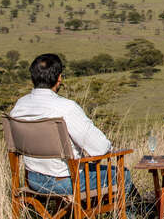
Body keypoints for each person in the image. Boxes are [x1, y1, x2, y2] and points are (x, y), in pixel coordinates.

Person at [8, 53, 135, 202]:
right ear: (59, 78)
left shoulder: (19, 106)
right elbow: (101, 148)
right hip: (65, 182)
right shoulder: (66, 108)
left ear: (32, 77)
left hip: (33, 180)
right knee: (122, 173)